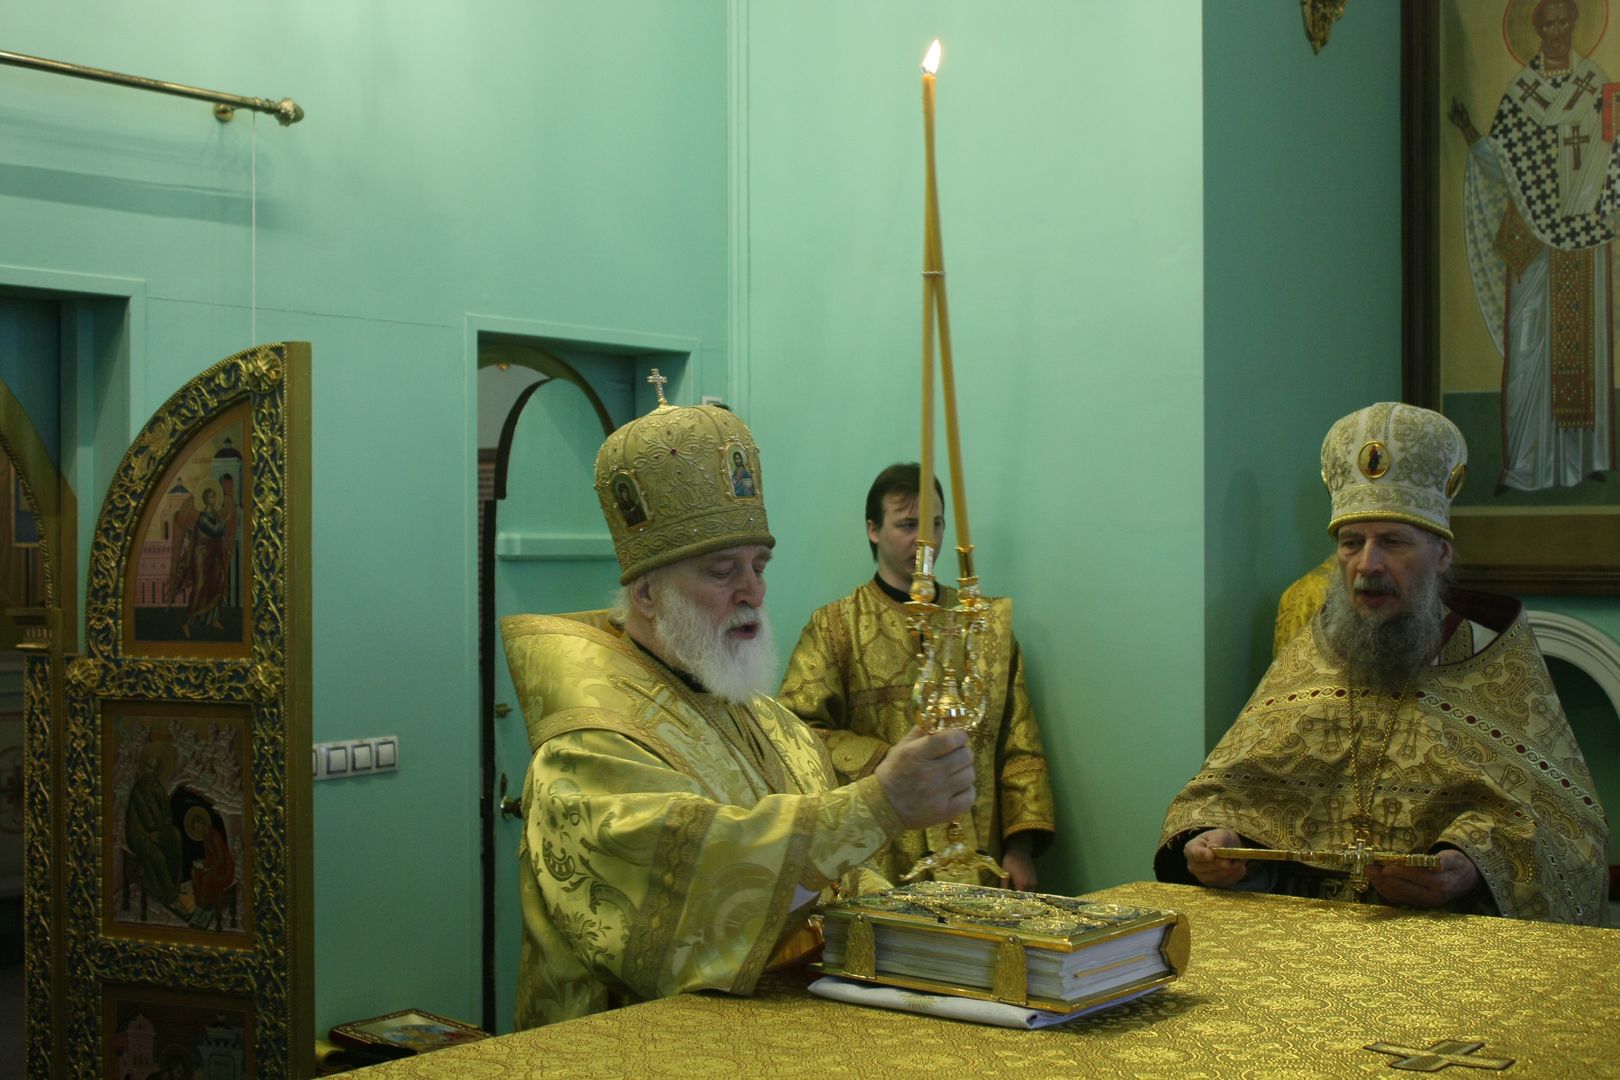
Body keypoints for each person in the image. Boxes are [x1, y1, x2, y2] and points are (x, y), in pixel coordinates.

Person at [502, 392, 976, 1029]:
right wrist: (878, 804)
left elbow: (832, 884)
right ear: (647, 592)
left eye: (759, 565)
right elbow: (693, 895)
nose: (753, 590)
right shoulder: (583, 752)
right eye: (723, 571)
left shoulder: (773, 725)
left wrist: (938, 926)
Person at [1157, 403, 1608, 924]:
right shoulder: (1311, 655)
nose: (1367, 564)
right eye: (1352, 543)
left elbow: (1568, 833)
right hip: (1305, 938)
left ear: (1441, 555)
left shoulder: (1494, 662)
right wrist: (1219, 844)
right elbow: (1224, 796)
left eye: (1392, 542)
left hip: (1448, 944)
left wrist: (1471, 867)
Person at [778, 463, 1054, 890]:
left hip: (980, 860)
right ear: (873, 530)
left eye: (935, 525)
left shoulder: (982, 624)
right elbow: (795, 734)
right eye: (908, 525)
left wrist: (1021, 848)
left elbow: (1018, 742)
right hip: (882, 860)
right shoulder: (835, 627)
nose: (926, 542)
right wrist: (887, 761)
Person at [1449, 0, 1615, 492]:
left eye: (1566, 21)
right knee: (1525, 346)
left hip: (1582, 237)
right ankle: (1523, 462)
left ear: (1576, 24)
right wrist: (1470, 133)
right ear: (1537, 30)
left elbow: (1613, 150)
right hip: (1532, 240)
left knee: (1586, 349)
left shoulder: (1595, 83)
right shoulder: (1521, 93)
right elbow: (1500, 163)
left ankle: (1586, 458)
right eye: (1550, 24)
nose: (1559, 32)